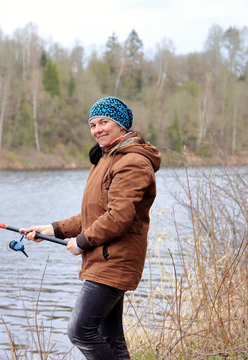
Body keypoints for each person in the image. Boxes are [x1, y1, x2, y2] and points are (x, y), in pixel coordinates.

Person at [22, 96, 161, 360]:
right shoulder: (105, 158)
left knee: (80, 331)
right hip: (105, 257)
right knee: (110, 336)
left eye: (104, 122)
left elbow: (118, 217)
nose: (97, 129)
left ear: (121, 125)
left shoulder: (132, 162)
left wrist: (82, 242)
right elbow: (93, 215)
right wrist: (51, 229)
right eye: (92, 124)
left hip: (115, 259)